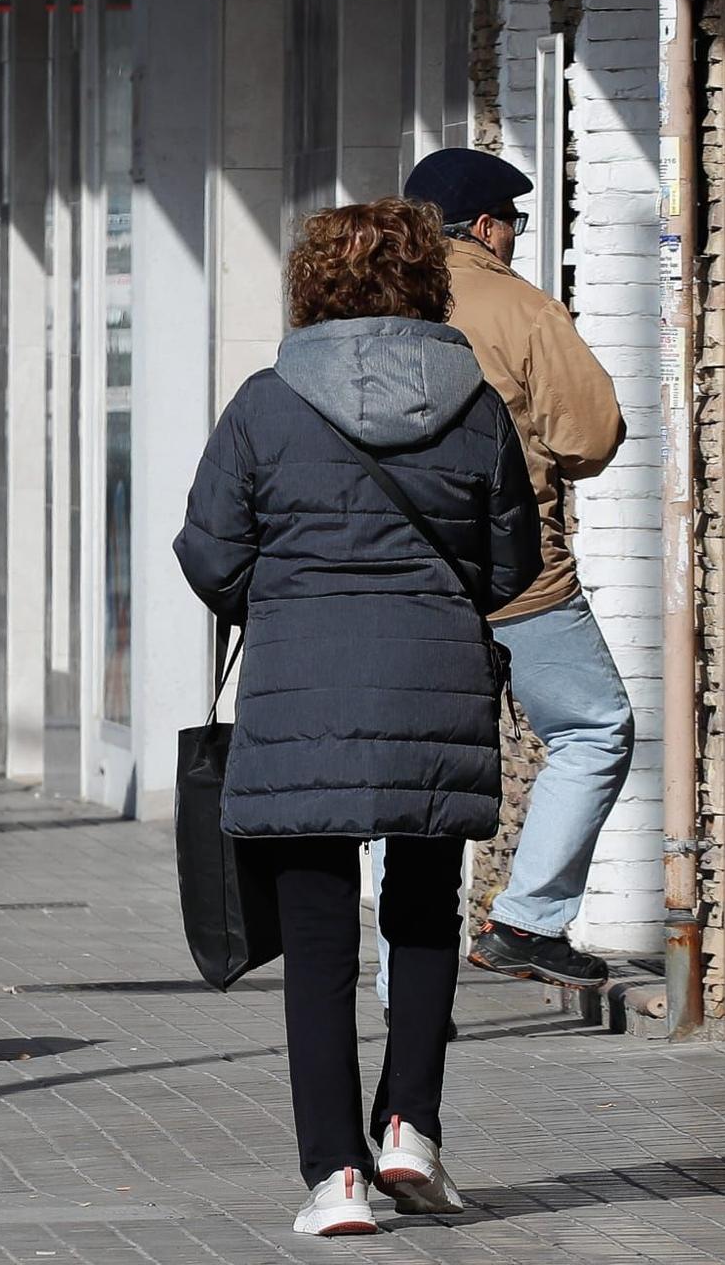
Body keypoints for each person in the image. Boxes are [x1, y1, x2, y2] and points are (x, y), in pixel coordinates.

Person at [173, 198, 540, 1237]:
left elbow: (208, 555)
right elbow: (509, 561)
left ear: (311, 284)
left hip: (301, 692)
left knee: (320, 935)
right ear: (427, 281)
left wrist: (281, 590)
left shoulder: (264, 402)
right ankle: (408, 1128)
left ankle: (334, 1174)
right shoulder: (475, 403)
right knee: (422, 910)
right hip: (432, 685)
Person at [388, 148, 632, 994]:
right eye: (514, 224)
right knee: (594, 728)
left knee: (410, 768)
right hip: (517, 578)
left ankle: (401, 987)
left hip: (401, 581)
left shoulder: (370, 304)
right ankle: (528, 920)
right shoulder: (521, 307)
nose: (515, 239)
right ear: (487, 226)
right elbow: (590, 437)